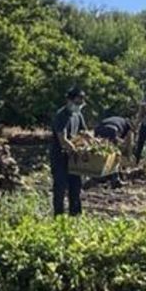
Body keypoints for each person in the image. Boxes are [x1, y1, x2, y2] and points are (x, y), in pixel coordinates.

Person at [50, 86, 90, 216]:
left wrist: (93, 142)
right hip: (60, 157)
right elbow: (63, 140)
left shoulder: (78, 114)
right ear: (69, 100)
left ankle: (75, 216)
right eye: (77, 102)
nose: (79, 105)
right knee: (60, 188)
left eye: (81, 103)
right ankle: (59, 216)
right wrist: (75, 151)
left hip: (73, 158)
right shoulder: (61, 116)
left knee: (76, 187)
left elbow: (84, 132)